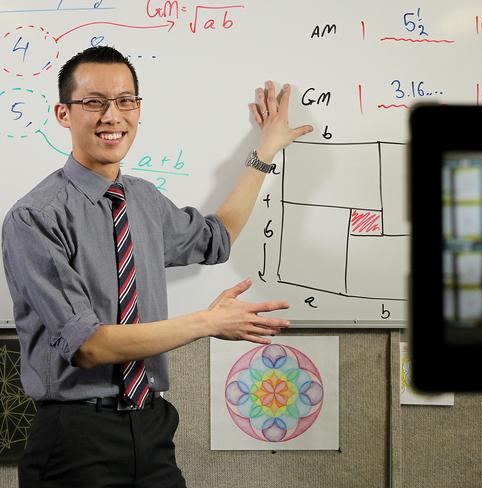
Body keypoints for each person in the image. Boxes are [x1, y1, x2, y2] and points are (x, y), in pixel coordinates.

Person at [1, 46, 313, 487]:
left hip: (151, 427)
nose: (113, 116)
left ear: (138, 110)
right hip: (75, 438)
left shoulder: (142, 200)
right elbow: (89, 345)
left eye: (125, 101)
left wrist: (265, 150)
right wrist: (207, 322)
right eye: (94, 102)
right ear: (63, 114)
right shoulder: (35, 218)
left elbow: (215, 238)